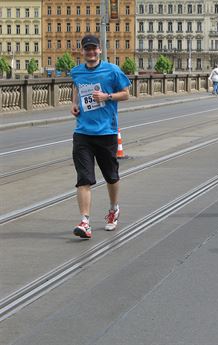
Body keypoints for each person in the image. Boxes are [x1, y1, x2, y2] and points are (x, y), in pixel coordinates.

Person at [70, 35, 131, 239]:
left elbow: (126, 93)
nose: (91, 52)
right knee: (83, 179)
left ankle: (114, 209)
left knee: (111, 176)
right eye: (87, 49)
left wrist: (108, 97)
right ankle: (85, 221)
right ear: (82, 52)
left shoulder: (112, 70)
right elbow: (76, 89)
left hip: (106, 132)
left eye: (93, 49)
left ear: (100, 50)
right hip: (82, 133)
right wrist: (75, 104)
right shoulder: (76, 72)